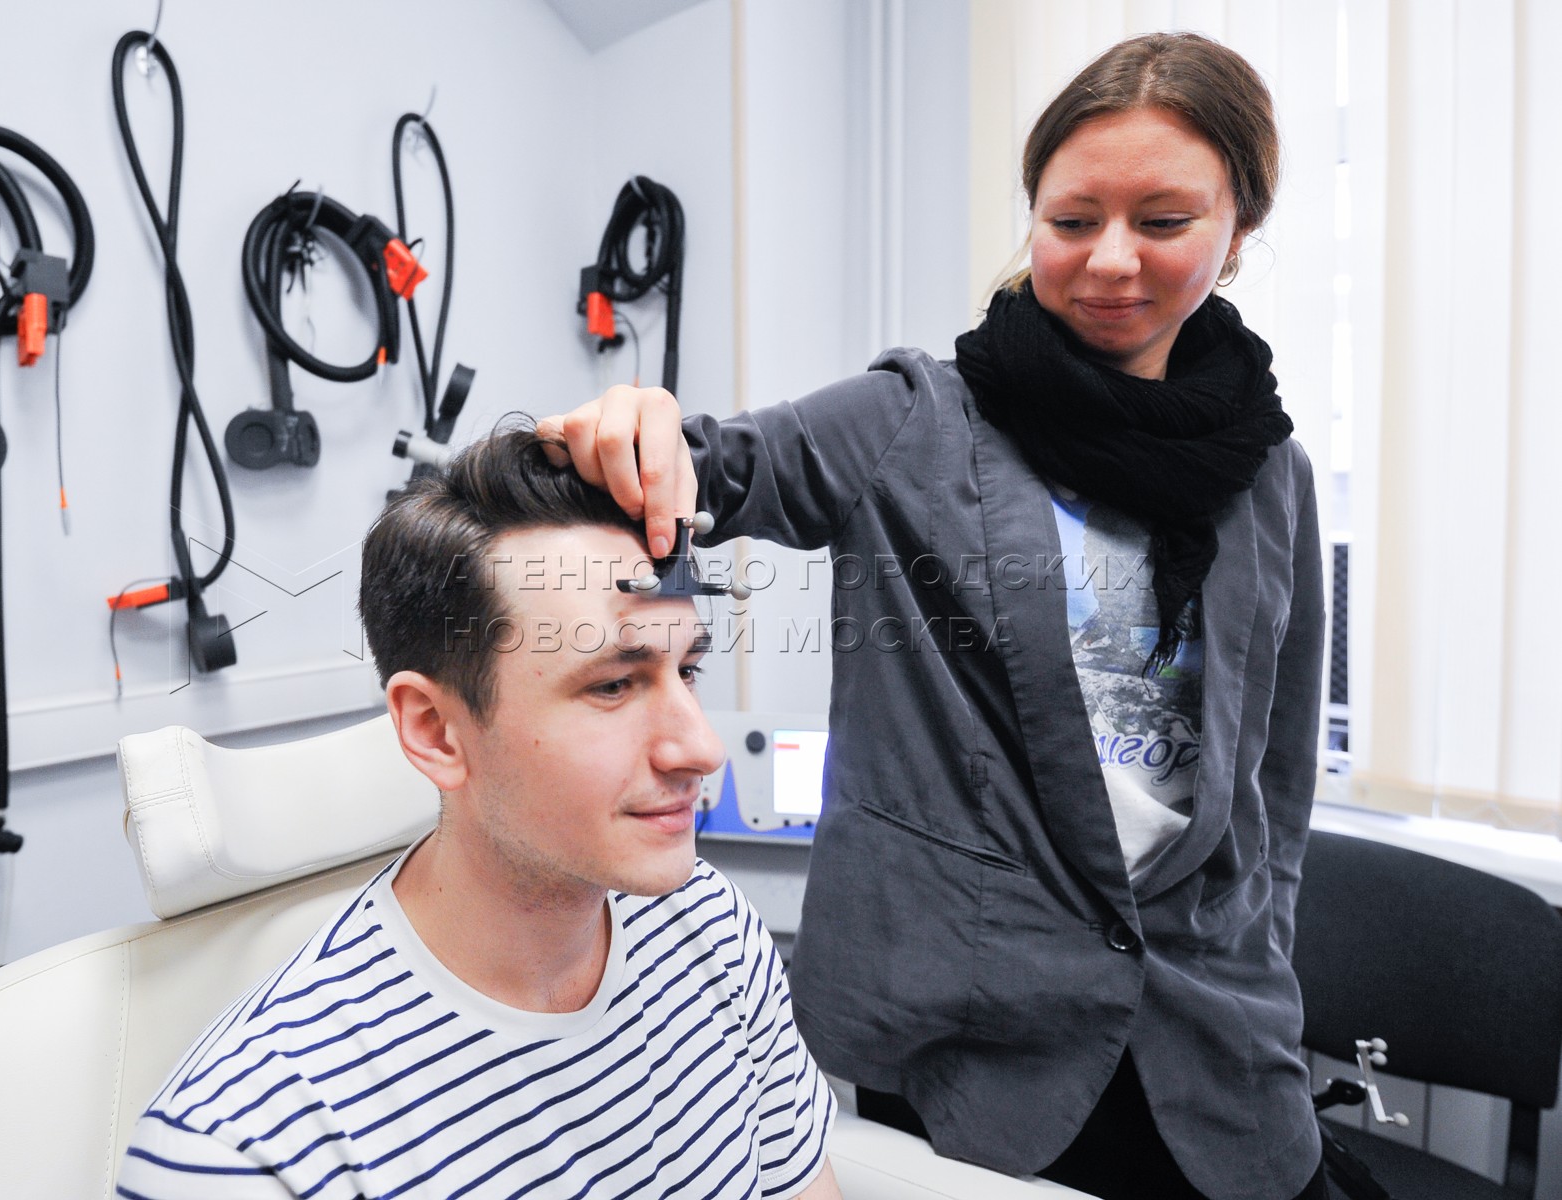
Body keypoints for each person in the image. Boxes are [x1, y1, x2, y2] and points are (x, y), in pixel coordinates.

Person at [540, 32, 1326, 1200]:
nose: (1111, 259)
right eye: (1072, 220)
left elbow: (1275, 775)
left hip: (1209, 1031)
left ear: (1240, 230)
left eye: (1163, 221)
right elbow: (718, 466)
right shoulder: (915, 419)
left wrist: (1262, 962)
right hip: (978, 1039)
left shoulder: (1273, 473)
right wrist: (629, 429)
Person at [116, 424, 841, 1200]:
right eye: (612, 686)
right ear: (436, 731)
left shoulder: (706, 925)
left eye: (686, 670)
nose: (701, 748)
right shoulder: (248, 1148)